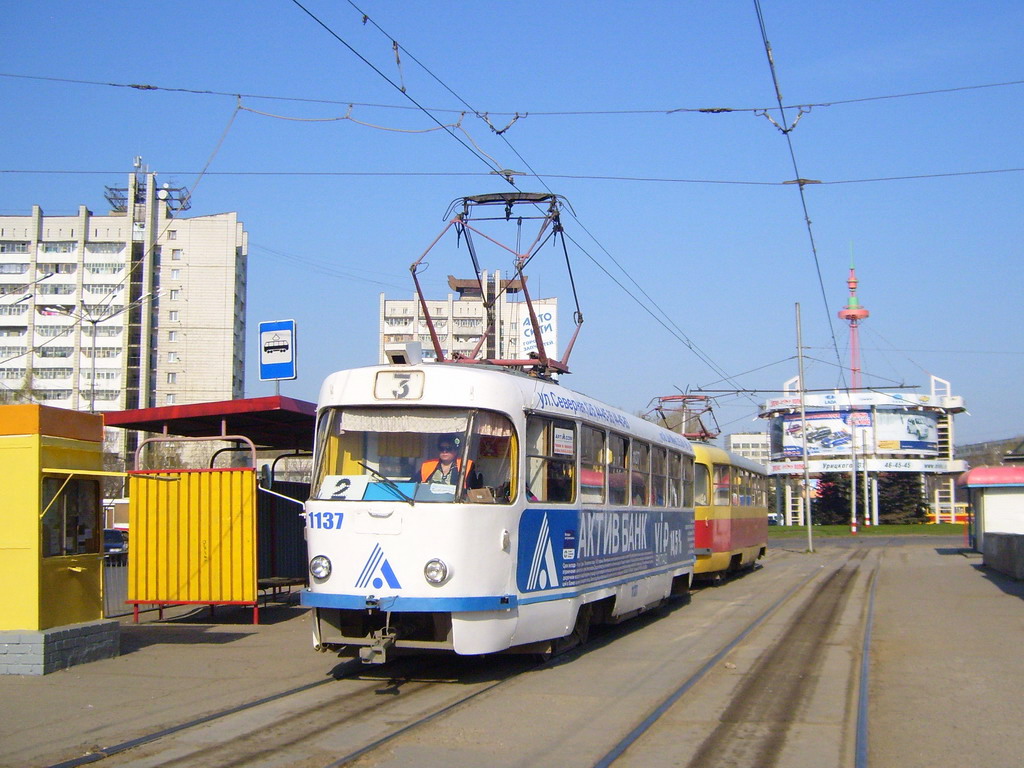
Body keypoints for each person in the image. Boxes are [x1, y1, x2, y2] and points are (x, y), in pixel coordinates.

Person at [417, 435, 481, 488]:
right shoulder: (427, 465)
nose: (444, 451)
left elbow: (474, 490)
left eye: (448, 448)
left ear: (456, 451)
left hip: (454, 502)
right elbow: (412, 484)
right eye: (441, 448)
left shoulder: (466, 465)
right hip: (429, 501)